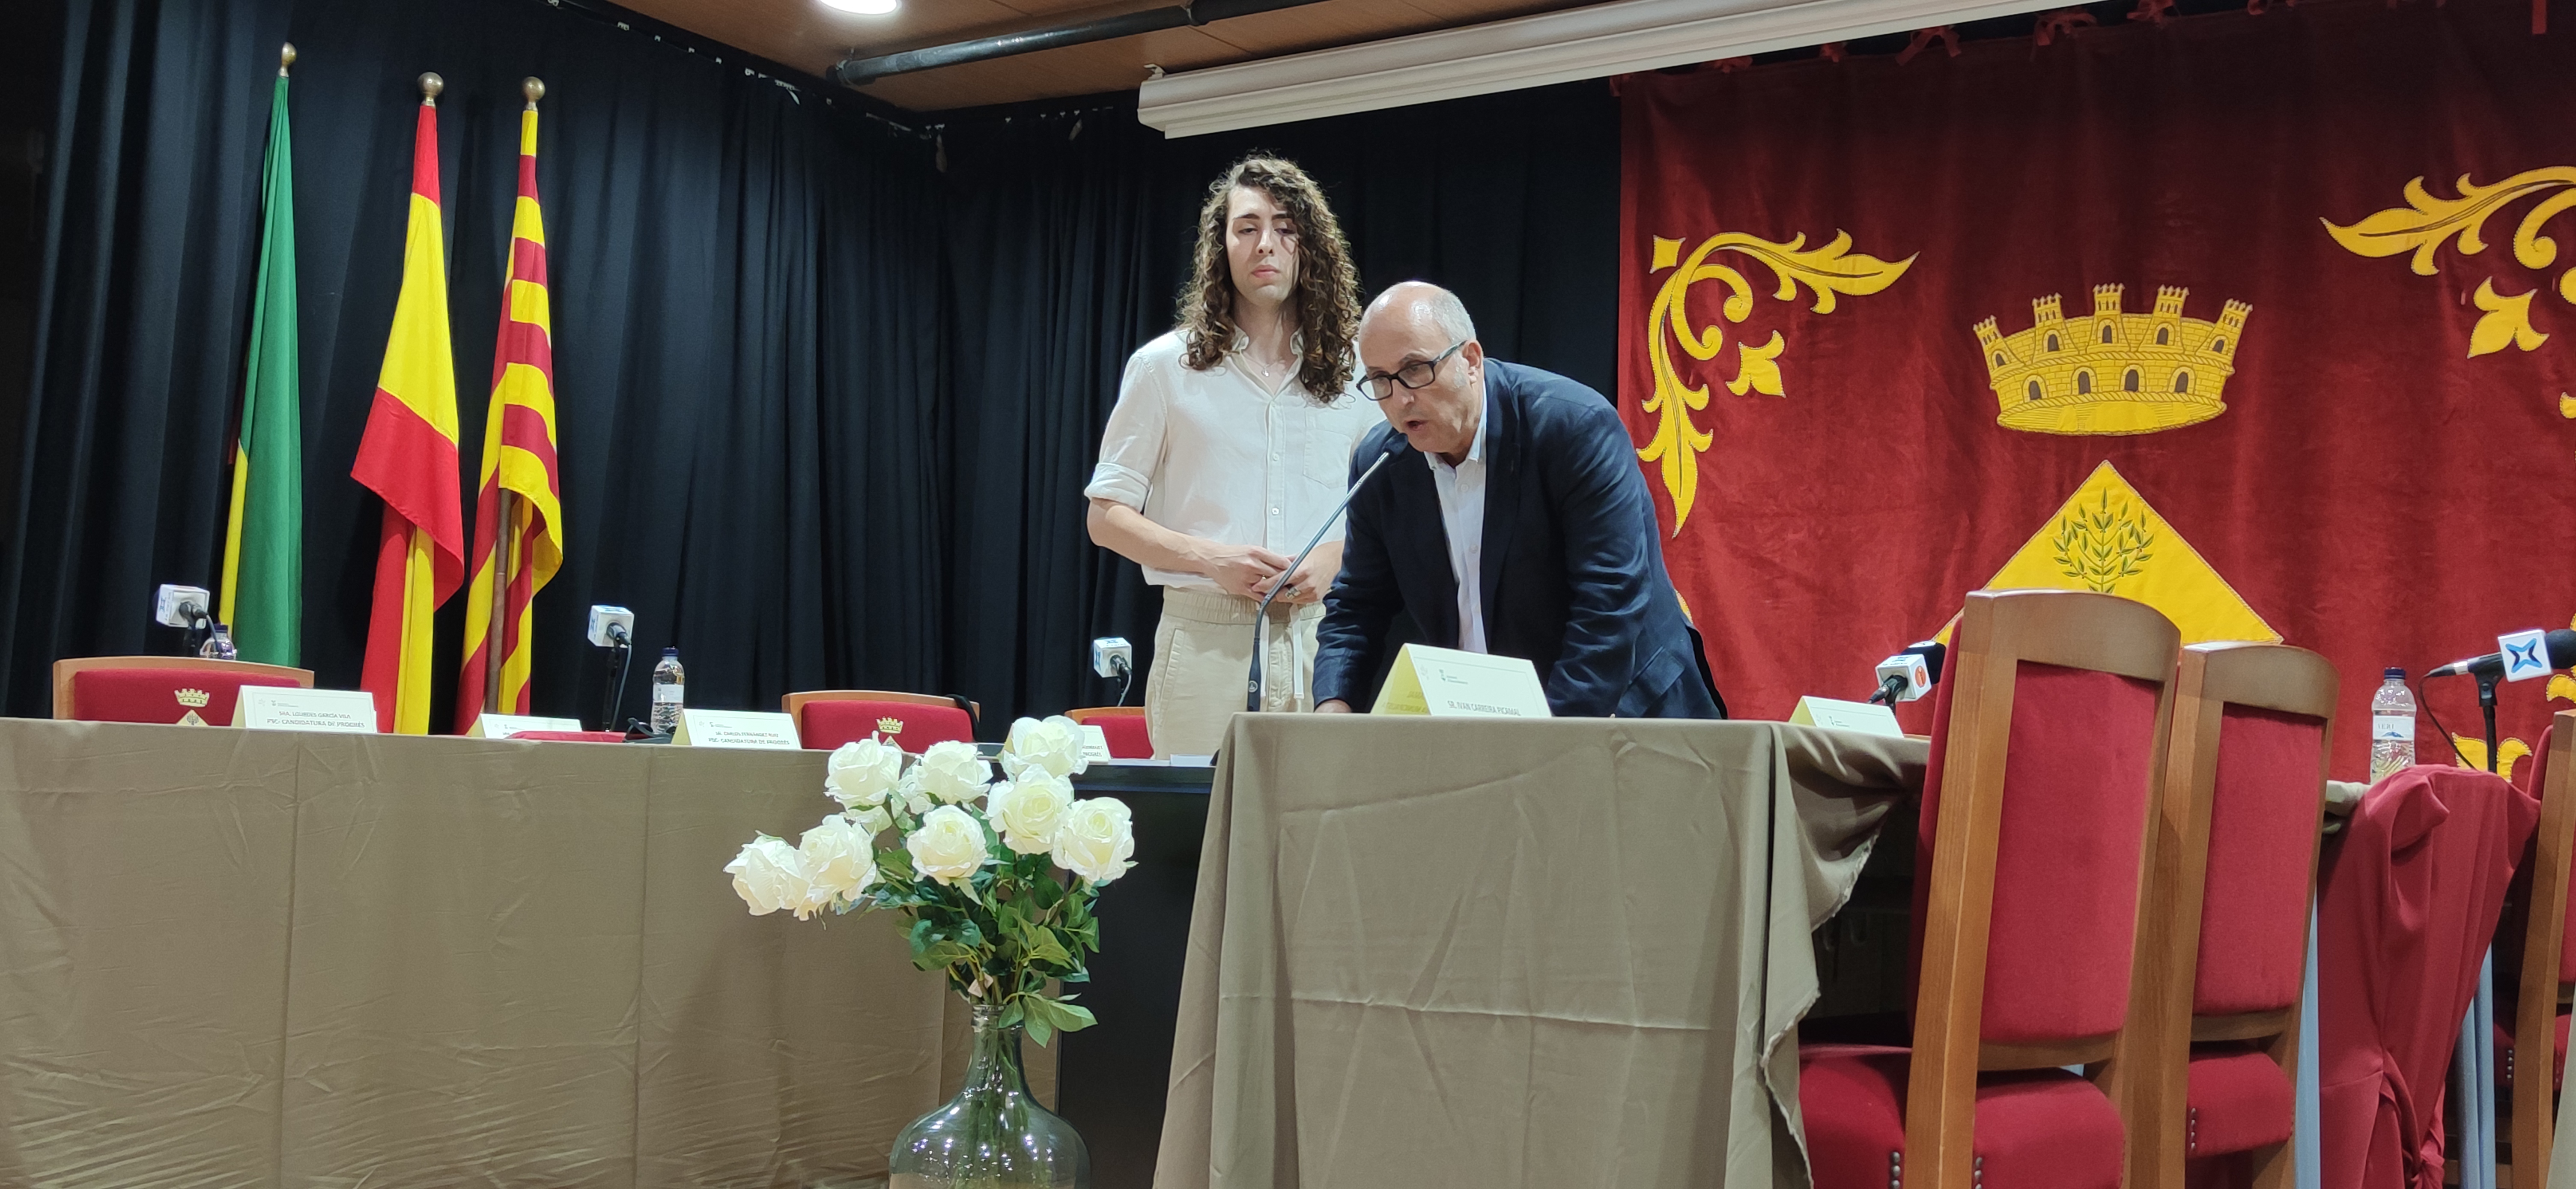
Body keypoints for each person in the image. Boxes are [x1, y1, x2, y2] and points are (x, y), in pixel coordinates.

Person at [1312, 282, 1725, 719]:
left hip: (1630, 712)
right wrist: (1334, 703)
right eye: (1380, 380)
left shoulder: (1573, 428)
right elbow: (1358, 603)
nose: (1400, 399)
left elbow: (1609, 601)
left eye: (1415, 369)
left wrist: (1544, 742)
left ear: (1470, 360)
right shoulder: (1382, 462)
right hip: (1490, 725)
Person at [1084, 157, 1379, 757]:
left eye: (1284, 226)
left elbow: (1392, 512)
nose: (1265, 243)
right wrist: (1209, 558)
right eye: (1246, 227)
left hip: (1321, 638)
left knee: (1314, 838)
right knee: (1199, 836)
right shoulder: (1162, 368)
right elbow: (1105, 516)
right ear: (1221, 246)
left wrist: (1336, 556)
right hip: (1202, 637)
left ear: (1309, 245)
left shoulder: (1358, 373)